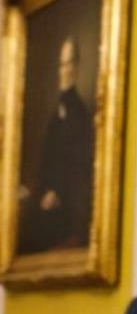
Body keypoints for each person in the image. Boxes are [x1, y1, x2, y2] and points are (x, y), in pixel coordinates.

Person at [17, 36, 94, 254]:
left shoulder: (78, 112)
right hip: (45, 196)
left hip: (64, 207)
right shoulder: (58, 109)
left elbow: (77, 163)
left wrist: (57, 191)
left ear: (77, 67)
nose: (65, 70)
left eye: (69, 63)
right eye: (62, 64)